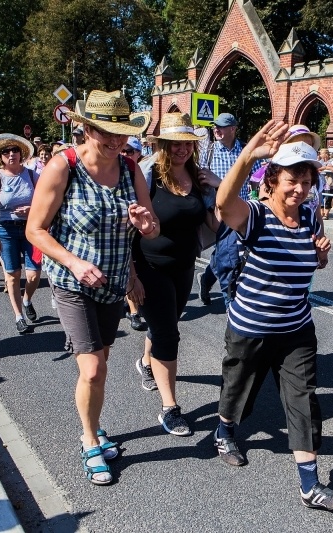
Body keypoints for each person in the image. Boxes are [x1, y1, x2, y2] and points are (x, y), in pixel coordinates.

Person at [213, 120, 333, 511]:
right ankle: (224, 431)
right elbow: (223, 204)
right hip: (250, 327)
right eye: (292, 180)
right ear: (271, 178)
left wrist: (321, 255)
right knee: (239, 391)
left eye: (306, 182)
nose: (300, 189)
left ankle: (311, 487)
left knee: (304, 400)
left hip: (296, 329)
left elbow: (311, 266)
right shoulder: (254, 214)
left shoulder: (308, 217)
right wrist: (247, 154)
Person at [26, 88, 157, 486]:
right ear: (85, 128)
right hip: (72, 282)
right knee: (93, 367)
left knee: (100, 366)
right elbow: (36, 230)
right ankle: (88, 440)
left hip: (114, 282)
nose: (117, 141)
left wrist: (145, 227)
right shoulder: (62, 166)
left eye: (121, 133)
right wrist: (74, 262)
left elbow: (150, 227)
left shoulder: (131, 168)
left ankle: (95, 426)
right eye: (107, 133)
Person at [132, 113, 219, 433]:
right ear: (163, 144)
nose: (181, 148)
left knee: (165, 324)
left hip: (184, 266)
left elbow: (215, 223)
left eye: (187, 143)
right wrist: (131, 275)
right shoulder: (146, 174)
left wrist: (220, 188)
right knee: (168, 332)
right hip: (149, 265)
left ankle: (145, 362)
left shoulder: (199, 177)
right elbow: (129, 224)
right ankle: (170, 408)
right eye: (175, 143)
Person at [196, 112, 261, 306]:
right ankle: (231, 301)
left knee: (227, 253)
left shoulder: (246, 151)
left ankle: (206, 280)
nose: (216, 129)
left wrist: (220, 182)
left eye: (221, 126)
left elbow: (257, 180)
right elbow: (202, 181)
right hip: (219, 212)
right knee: (230, 253)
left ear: (233, 128)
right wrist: (215, 188)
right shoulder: (209, 151)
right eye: (214, 126)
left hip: (243, 211)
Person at [0, 134, 42, 334]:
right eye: (6, 152)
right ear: (1, 157)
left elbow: (45, 201)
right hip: (6, 229)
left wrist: (31, 210)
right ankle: (19, 316)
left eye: (15, 151)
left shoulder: (32, 175)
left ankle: (27, 299)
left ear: (21, 154)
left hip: (31, 229)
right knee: (12, 275)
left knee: (34, 274)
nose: (11, 154)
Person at [121, 137, 147, 332]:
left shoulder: (145, 172)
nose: (125, 154)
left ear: (139, 153)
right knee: (131, 268)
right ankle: (134, 312)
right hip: (123, 229)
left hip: (142, 227)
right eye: (124, 150)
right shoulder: (118, 171)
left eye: (130, 151)